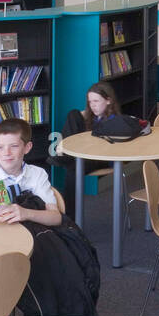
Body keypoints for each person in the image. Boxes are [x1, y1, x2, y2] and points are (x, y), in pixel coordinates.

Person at [56, 82, 123, 217]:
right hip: (86, 154)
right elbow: (80, 116)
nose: (93, 105)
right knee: (73, 113)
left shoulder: (114, 120)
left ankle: (69, 218)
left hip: (103, 157)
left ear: (108, 100)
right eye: (90, 102)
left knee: (73, 169)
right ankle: (67, 151)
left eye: (96, 101)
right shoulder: (92, 116)